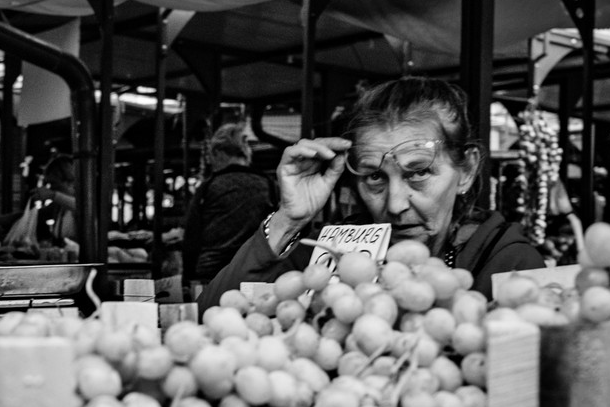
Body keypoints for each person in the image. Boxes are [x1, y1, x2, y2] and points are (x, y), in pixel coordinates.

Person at [197, 76, 545, 312]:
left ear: (466, 170)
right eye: (375, 177)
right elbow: (213, 314)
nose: (394, 204)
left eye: (419, 172)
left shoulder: (508, 264)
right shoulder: (334, 251)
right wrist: (290, 219)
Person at [181, 123, 276, 287]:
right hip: (253, 270)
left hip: (212, 274)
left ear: (217, 152)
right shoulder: (267, 184)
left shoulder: (210, 186)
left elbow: (192, 236)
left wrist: (187, 277)